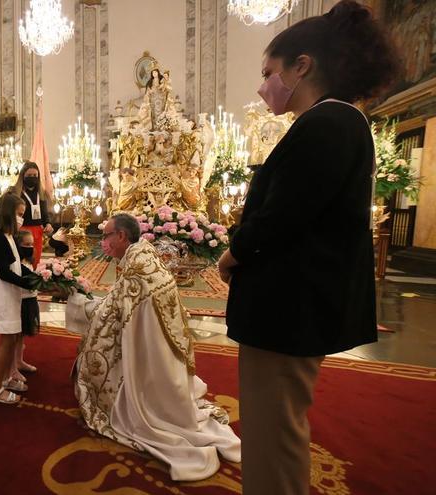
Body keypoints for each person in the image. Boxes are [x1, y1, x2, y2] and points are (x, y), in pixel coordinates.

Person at [216, 2, 399, 493]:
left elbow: (282, 216)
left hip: (287, 311)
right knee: (270, 427)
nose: (262, 86)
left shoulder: (328, 123)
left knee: (273, 432)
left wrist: (232, 255)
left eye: (269, 72)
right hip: (289, 308)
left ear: (302, 66)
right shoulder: (334, 122)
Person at [66, 213, 240, 481]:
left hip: (152, 361)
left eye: (106, 236)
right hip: (164, 354)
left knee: (97, 356)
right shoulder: (144, 256)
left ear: (122, 236)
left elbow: (109, 317)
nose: (103, 242)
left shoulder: (136, 269)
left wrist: (77, 303)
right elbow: (119, 304)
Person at [0, 192, 36, 405]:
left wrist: (37, 278)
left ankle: (5, 378)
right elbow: (4, 272)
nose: (22, 219)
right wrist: (29, 283)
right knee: (6, 341)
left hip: (10, 294)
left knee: (12, 339)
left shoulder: (8, 235)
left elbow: (17, 266)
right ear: (8, 213)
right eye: (19, 214)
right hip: (1, 295)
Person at [13, 161, 53, 267]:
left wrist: (48, 224)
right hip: (22, 229)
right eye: (29, 175)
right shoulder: (16, 192)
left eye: (35, 175)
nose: (32, 177)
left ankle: (34, 279)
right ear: (23, 176)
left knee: (36, 259)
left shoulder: (41, 192)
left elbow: (44, 212)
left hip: (37, 231)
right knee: (22, 259)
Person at [15, 229, 39, 382]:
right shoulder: (16, 263)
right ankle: (13, 365)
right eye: (26, 244)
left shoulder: (28, 261)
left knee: (22, 335)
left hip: (31, 299)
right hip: (21, 301)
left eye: (32, 244)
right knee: (16, 335)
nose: (30, 247)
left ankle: (19, 361)